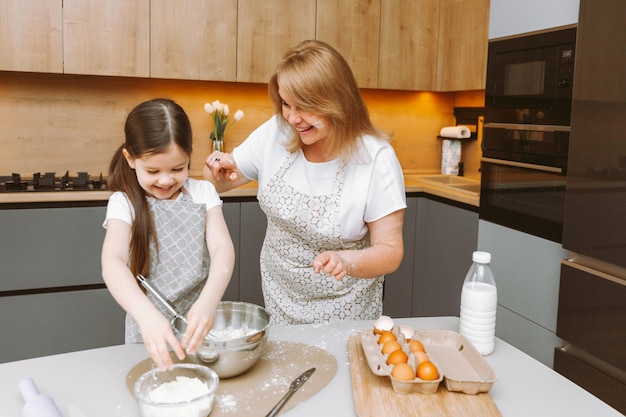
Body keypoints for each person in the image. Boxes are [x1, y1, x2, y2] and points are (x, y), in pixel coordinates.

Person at [203, 40, 406, 325]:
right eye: (286, 104)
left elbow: (390, 251)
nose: (293, 118)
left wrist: (346, 262)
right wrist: (216, 173)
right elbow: (223, 182)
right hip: (279, 298)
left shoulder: (375, 158)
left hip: (345, 308)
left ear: (337, 101)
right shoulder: (276, 132)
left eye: (305, 107)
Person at [101, 98, 234, 370]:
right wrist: (146, 317)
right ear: (130, 158)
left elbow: (223, 249)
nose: (165, 180)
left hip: (197, 326)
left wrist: (209, 302)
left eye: (177, 169)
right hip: (149, 330)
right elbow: (112, 262)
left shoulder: (203, 193)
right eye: (152, 171)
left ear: (189, 156)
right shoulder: (123, 203)